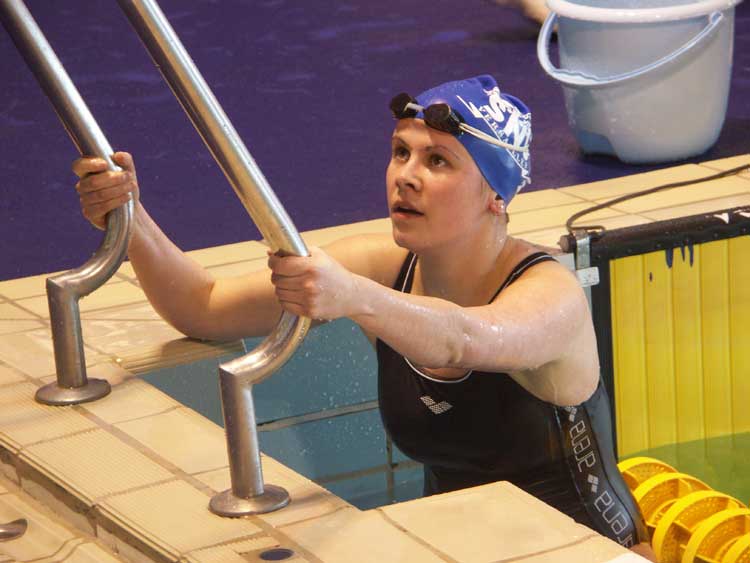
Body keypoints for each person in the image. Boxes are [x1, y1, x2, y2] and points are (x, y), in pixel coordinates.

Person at [72, 75, 655, 560]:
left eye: (438, 161)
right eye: (401, 152)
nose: (406, 175)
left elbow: (462, 337)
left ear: (495, 194)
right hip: (458, 546)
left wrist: (354, 296)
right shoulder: (382, 269)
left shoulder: (550, 294)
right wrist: (131, 218)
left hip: (588, 550)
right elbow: (202, 307)